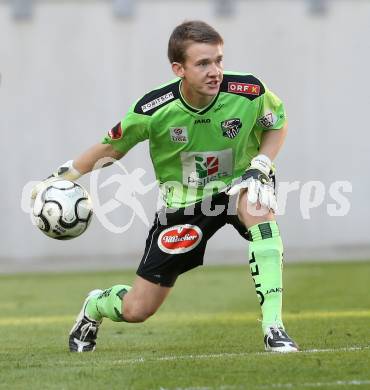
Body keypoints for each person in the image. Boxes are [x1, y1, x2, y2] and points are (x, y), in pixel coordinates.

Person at [32, 20, 298, 353]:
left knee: (258, 208)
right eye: (203, 63)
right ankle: (95, 306)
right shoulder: (153, 109)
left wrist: (261, 164)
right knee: (137, 309)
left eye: (218, 60)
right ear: (179, 69)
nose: (215, 70)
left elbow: (277, 124)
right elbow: (111, 148)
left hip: (240, 183)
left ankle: (274, 327)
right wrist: (64, 176)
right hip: (184, 204)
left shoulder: (249, 92)